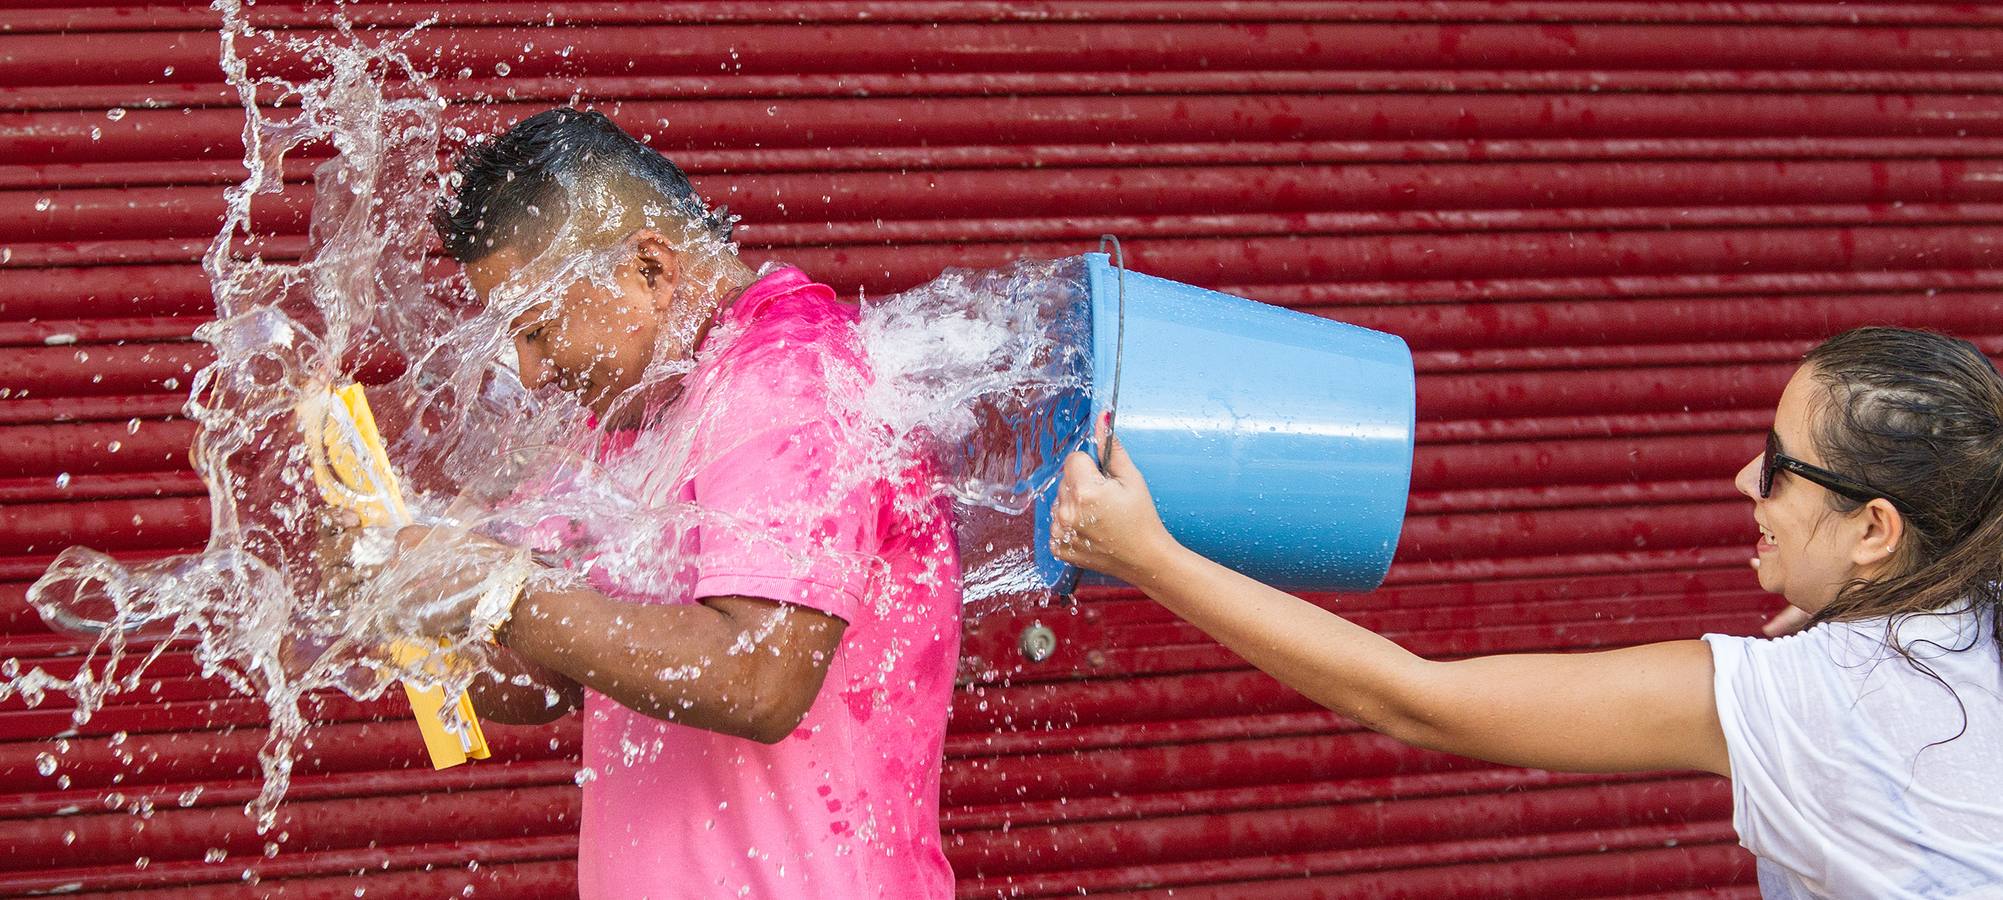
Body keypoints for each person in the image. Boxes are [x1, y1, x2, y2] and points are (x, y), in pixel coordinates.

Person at [1050, 326, 2003, 898]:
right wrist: (1855, 611)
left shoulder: (1821, 696)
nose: (1745, 478)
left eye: (1782, 463)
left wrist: (1148, 555)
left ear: (1876, 530)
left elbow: (1412, 699)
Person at [378, 108, 962, 898]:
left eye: (540, 330)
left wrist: (497, 588)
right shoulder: (624, 416)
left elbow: (760, 676)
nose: (532, 370)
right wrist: (398, 610)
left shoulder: (792, 379)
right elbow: (538, 682)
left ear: (649, 270)